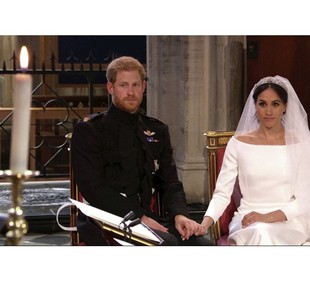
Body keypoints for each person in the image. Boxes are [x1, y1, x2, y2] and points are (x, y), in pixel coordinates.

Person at [197, 75, 310, 245]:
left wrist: (267, 217)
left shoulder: (300, 144)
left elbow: (305, 200)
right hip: (247, 220)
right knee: (259, 232)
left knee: (264, 233)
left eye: (275, 104)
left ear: (285, 106)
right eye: (262, 104)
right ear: (254, 105)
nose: (268, 111)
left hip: (289, 221)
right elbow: (222, 193)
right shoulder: (238, 144)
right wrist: (204, 224)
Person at [71, 56, 213, 246]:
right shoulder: (90, 130)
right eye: (123, 85)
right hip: (106, 220)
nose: (131, 92)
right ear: (110, 88)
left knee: (204, 246)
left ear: (144, 86)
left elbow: (170, 182)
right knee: (167, 244)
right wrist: (138, 217)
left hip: (149, 218)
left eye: (136, 85)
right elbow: (94, 189)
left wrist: (180, 215)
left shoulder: (156, 130)